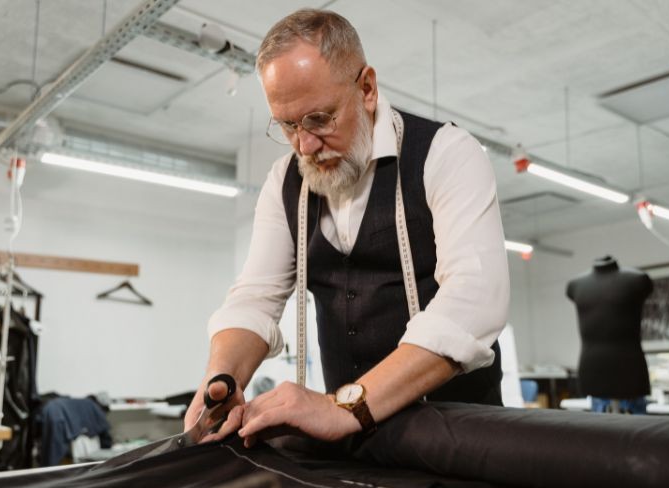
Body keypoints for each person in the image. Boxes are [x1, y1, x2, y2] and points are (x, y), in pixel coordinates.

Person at [184, 9, 509, 446]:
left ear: (367, 89)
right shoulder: (286, 181)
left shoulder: (445, 153)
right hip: (353, 446)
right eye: (287, 125)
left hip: (458, 437)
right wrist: (220, 378)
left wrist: (346, 406)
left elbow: (476, 300)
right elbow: (255, 298)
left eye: (319, 119)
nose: (305, 145)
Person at [566, 255, 653, 414]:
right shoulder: (574, 285)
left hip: (629, 371)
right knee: (603, 436)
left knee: (637, 435)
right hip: (594, 371)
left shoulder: (638, 279)